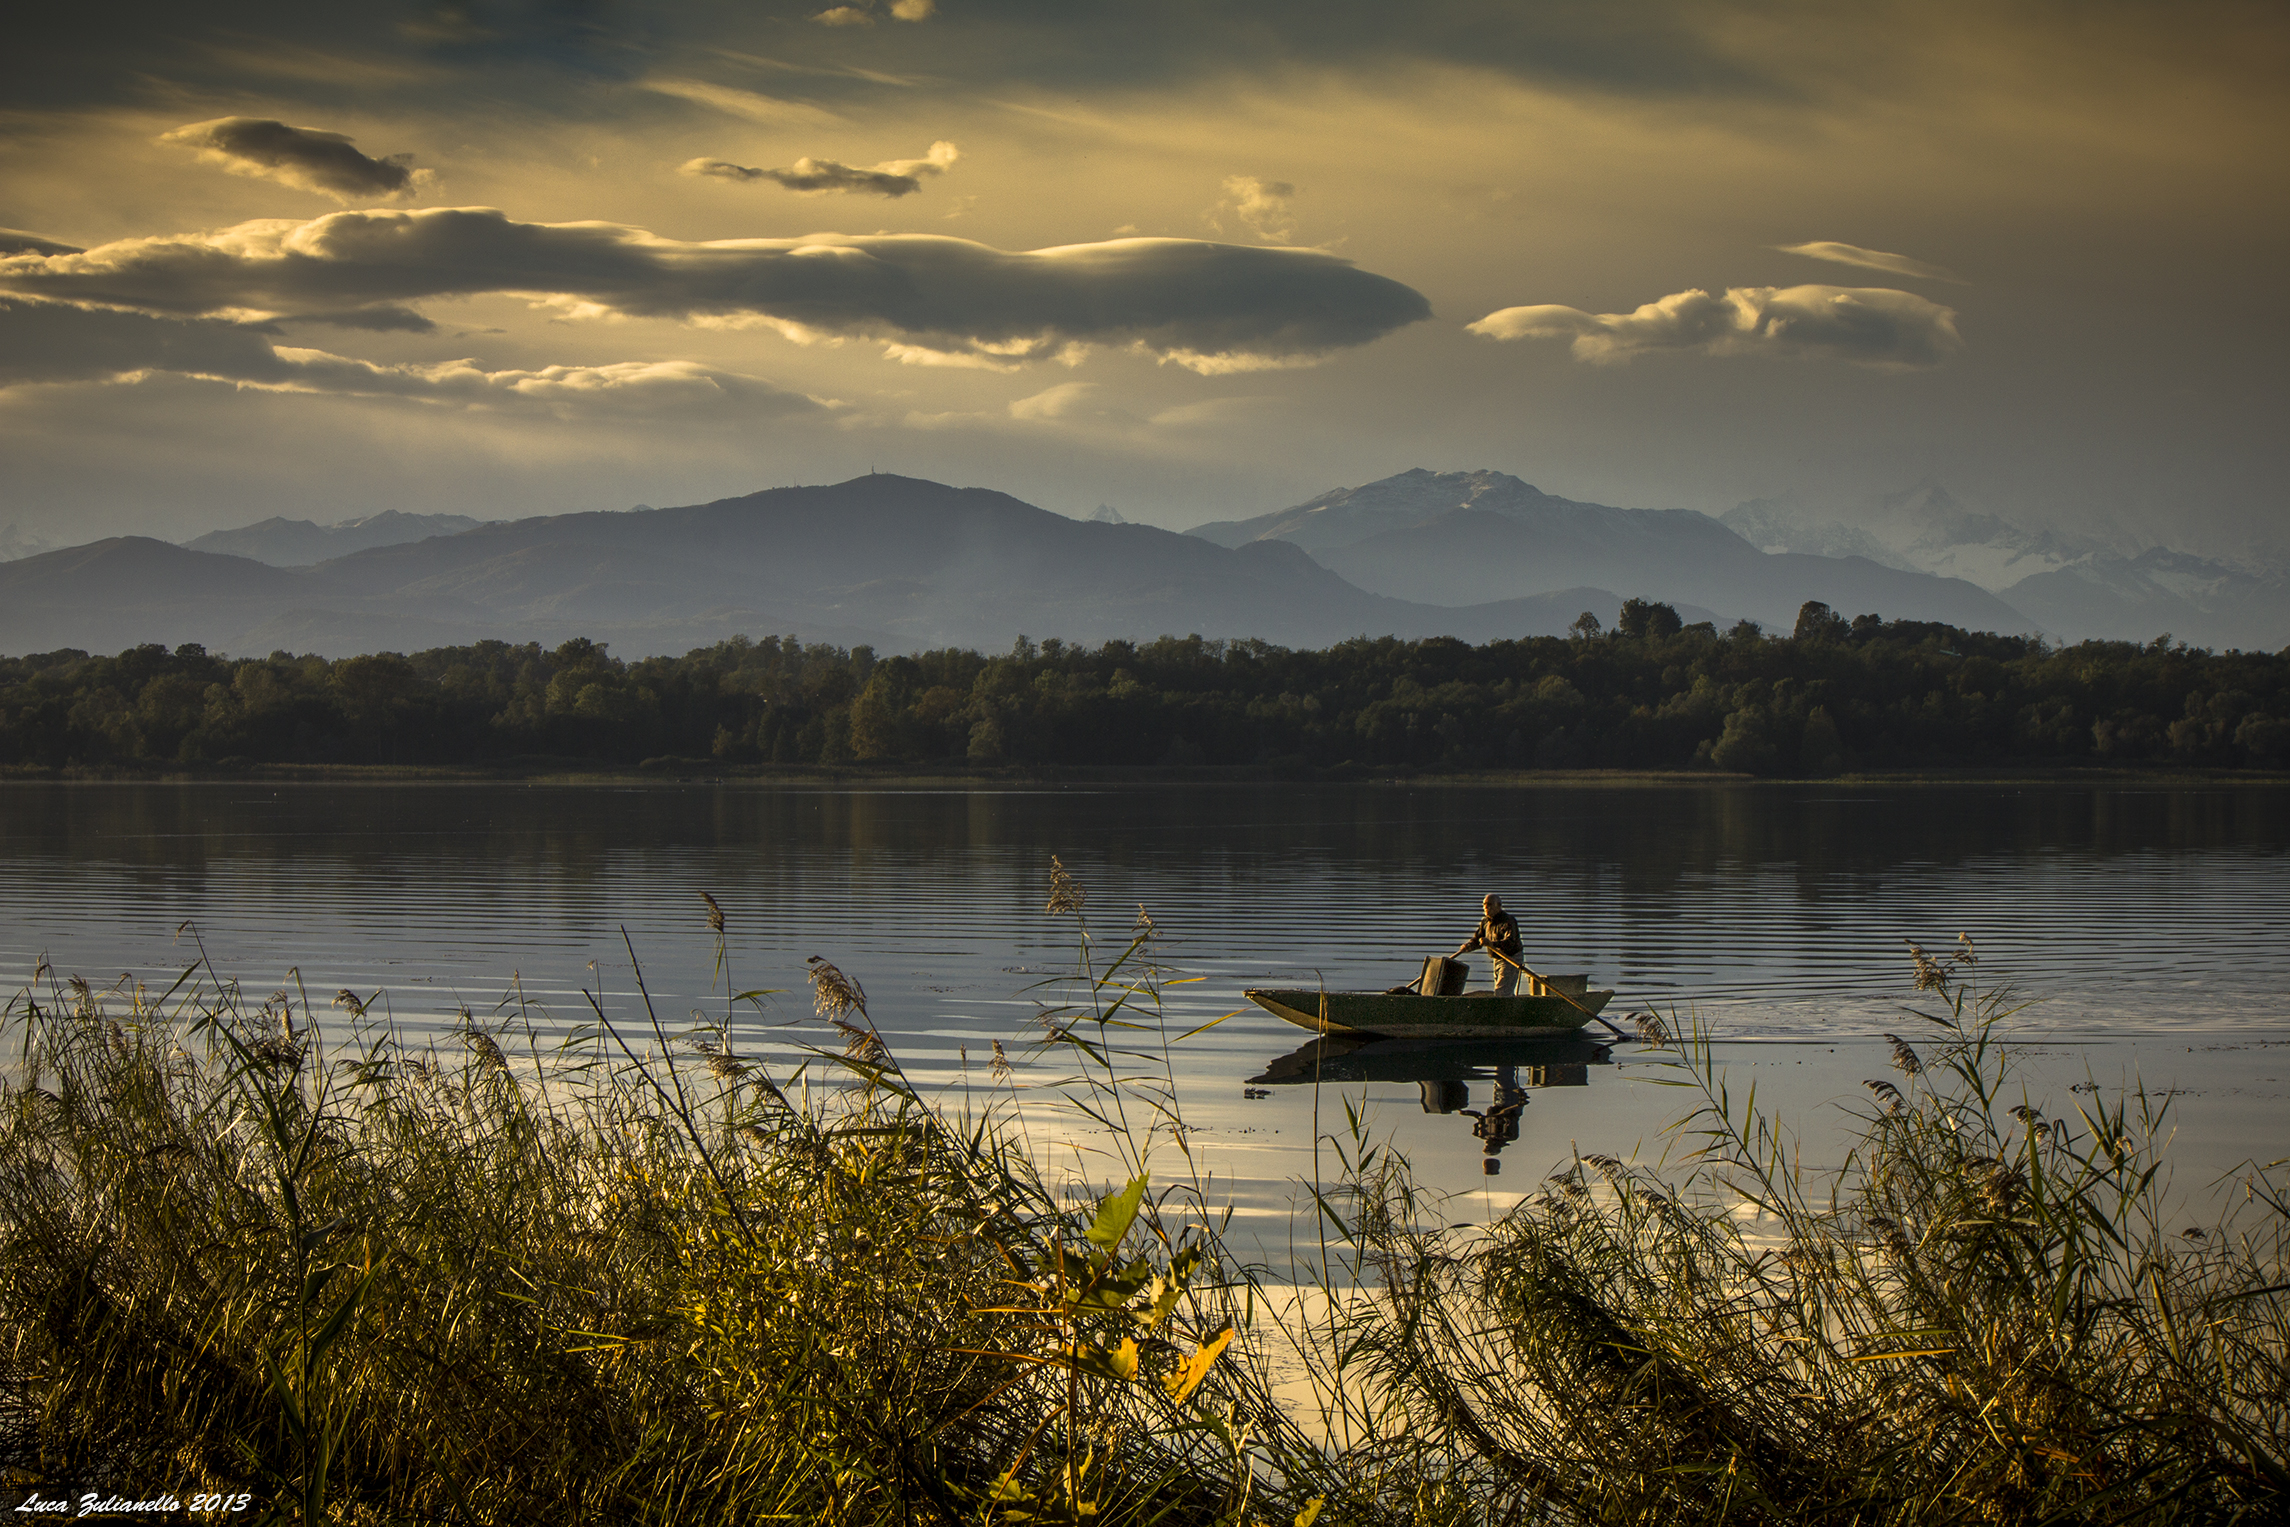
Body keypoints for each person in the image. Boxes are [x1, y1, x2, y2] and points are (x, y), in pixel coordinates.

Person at [1456, 893, 1524, 996]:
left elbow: (1510, 943)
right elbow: (1477, 940)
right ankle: (1510, 1003)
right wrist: (1468, 946)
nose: (1486, 907)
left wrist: (1491, 943)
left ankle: (1503, 1004)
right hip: (1497, 958)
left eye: (1490, 904)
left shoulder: (1508, 921)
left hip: (1511, 958)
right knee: (1504, 989)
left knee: (1502, 991)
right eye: (1484, 904)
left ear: (1499, 906)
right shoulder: (1485, 922)